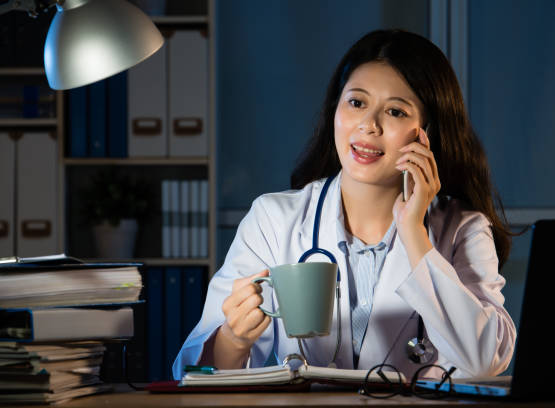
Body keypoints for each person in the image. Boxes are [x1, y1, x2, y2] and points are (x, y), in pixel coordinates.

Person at [173, 29, 516, 381]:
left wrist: (414, 234)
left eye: (396, 111)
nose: (369, 125)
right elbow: (194, 373)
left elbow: (485, 362)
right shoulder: (273, 220)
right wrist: (235, 338)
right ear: (334, 108)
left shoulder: (462, 228)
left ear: (427, 131)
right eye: (356, 102)